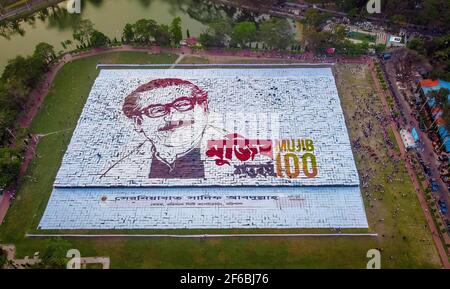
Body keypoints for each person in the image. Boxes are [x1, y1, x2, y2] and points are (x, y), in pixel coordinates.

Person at [104, 78, 209, 179]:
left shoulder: (223, 157)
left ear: (204, 108)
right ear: (138, 123)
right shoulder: (117, 172)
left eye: (182, 104)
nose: (171, 117)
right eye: (157, 110)